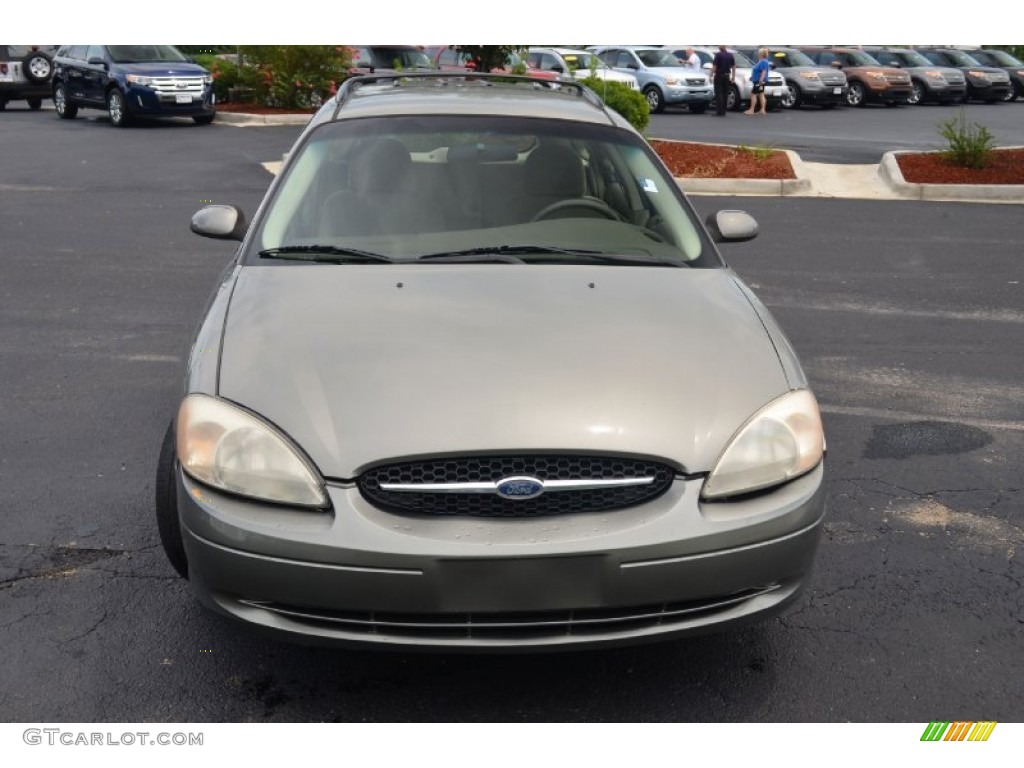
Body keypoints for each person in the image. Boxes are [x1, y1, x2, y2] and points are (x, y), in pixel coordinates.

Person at [710, 45, 735, 116]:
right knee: (725, 93)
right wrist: (733, 76)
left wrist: (711, 75)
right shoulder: (730, 55)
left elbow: (715, 66)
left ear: (720, 47)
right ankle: (724, 111)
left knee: (719, 93)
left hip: (719, 75)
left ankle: (719, 111)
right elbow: (733, 66)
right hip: (727, 75)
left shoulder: (718, 55)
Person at [745, 47, 771, 115]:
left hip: (759, 81)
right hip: (758, 81)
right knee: (761, 94)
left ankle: (752, 110)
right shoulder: (762, 61)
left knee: (753, 94)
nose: (758, 54)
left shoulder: (763, 62)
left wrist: (760, 80)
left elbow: (764, 71)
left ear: (761, 54)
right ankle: (762, 110)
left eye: (759, 53)